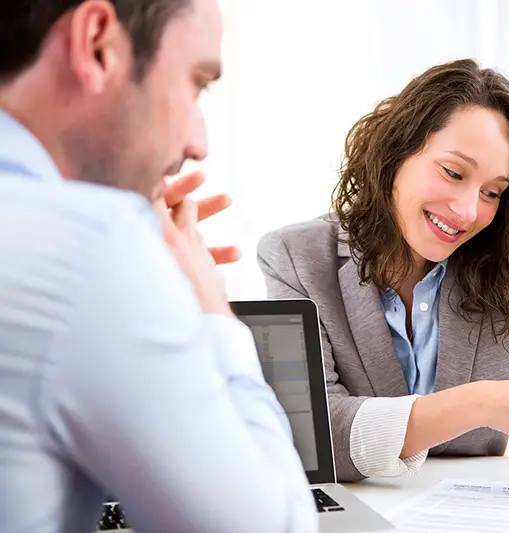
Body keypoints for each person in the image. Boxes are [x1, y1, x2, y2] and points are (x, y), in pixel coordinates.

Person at [257, 59, 509, 498]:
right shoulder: (295, 256)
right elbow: (309, 437)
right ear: (396, 154)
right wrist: (482, 403)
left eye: (492, 192)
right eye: (453, 173)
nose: (467, 212)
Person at [0, 1, 315, 532]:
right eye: (197, 85)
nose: (199, 143)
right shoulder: (92, 249)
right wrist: (210, 305)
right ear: (98, 43)